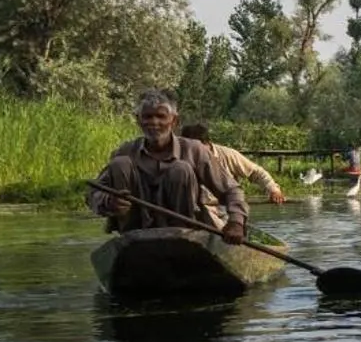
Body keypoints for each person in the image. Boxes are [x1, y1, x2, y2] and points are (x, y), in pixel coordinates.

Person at [88, 90, 248, 244]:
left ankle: (179, 240)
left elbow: (231, 190)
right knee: (120, 163)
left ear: (174, 121)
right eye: (147, 117)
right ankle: (132, 240)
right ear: (138, 120)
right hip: (135, 233)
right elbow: (93, 193)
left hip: (182, 234)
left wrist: (236, 222)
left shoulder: (194, 150)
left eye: (161, 116)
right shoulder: (126, 151)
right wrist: (108, 202)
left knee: (180, 169)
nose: (154, 122)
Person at [178, 122, 286, 214]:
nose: (194, 154)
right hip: (193, 214)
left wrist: (273, 190)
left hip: (225, 213)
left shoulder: (228, 155)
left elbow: (256, 172)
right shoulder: (179, 158)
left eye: (197, 149)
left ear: (207, 143)